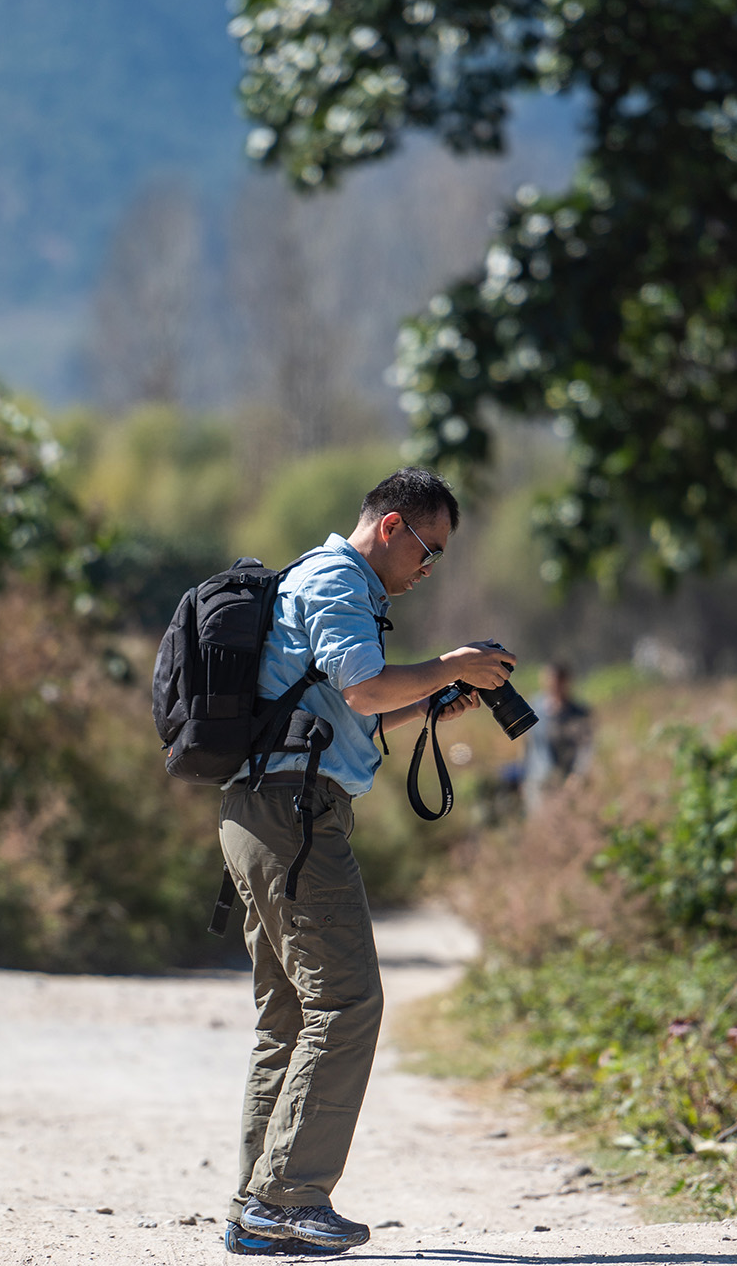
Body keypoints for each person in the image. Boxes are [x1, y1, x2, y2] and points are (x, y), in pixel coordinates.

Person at [221, 467, 516, 1257]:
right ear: (391, 527)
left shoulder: (328, 584)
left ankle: (258, 1206)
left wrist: (428, 701)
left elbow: (357, 697)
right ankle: (286, 1197)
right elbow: (361, 690)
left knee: (290, 1014)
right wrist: (451, 665)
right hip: (294, 815)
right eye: (430, 550)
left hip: (261, 809)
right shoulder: (338, 581)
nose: (430, 569)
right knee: (347, 1001)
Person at [521, 662, 592, 812]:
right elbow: (528, 745)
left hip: (565, 781)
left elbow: (586, 747)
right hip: (538, 779)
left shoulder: (579, 713)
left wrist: (578, 774)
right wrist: (524, 773)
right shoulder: (534, 708)